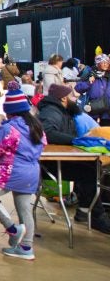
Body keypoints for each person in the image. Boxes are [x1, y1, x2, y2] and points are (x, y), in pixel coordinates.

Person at [0, 83, 46, 260]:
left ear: (9, 111)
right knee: (25, 210)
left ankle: (12, 228)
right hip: (32, 172)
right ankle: (26, 248)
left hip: (10, 171)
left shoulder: (9, 128)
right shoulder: (37, 127)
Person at [37, 83, 110, 233]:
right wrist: (74, 140)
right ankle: (96, 216)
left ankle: (85, 211)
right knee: (90, 171)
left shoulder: (59, 110)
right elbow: (48, 133)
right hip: (51, 164)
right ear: (64, 98)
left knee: (91, 168)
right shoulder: (52, 111)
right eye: (72, 95)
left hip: (58, 161)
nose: (75, 98)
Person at [75, 54, 110, 125]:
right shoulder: (89, 73)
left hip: (107, 109)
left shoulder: (108, 74)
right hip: (93, 108)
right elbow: (78, 88)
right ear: (97, 63)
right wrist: (89, 83)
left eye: (107, 62)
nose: (106, 64)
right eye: (103, 62)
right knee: (93, 130)